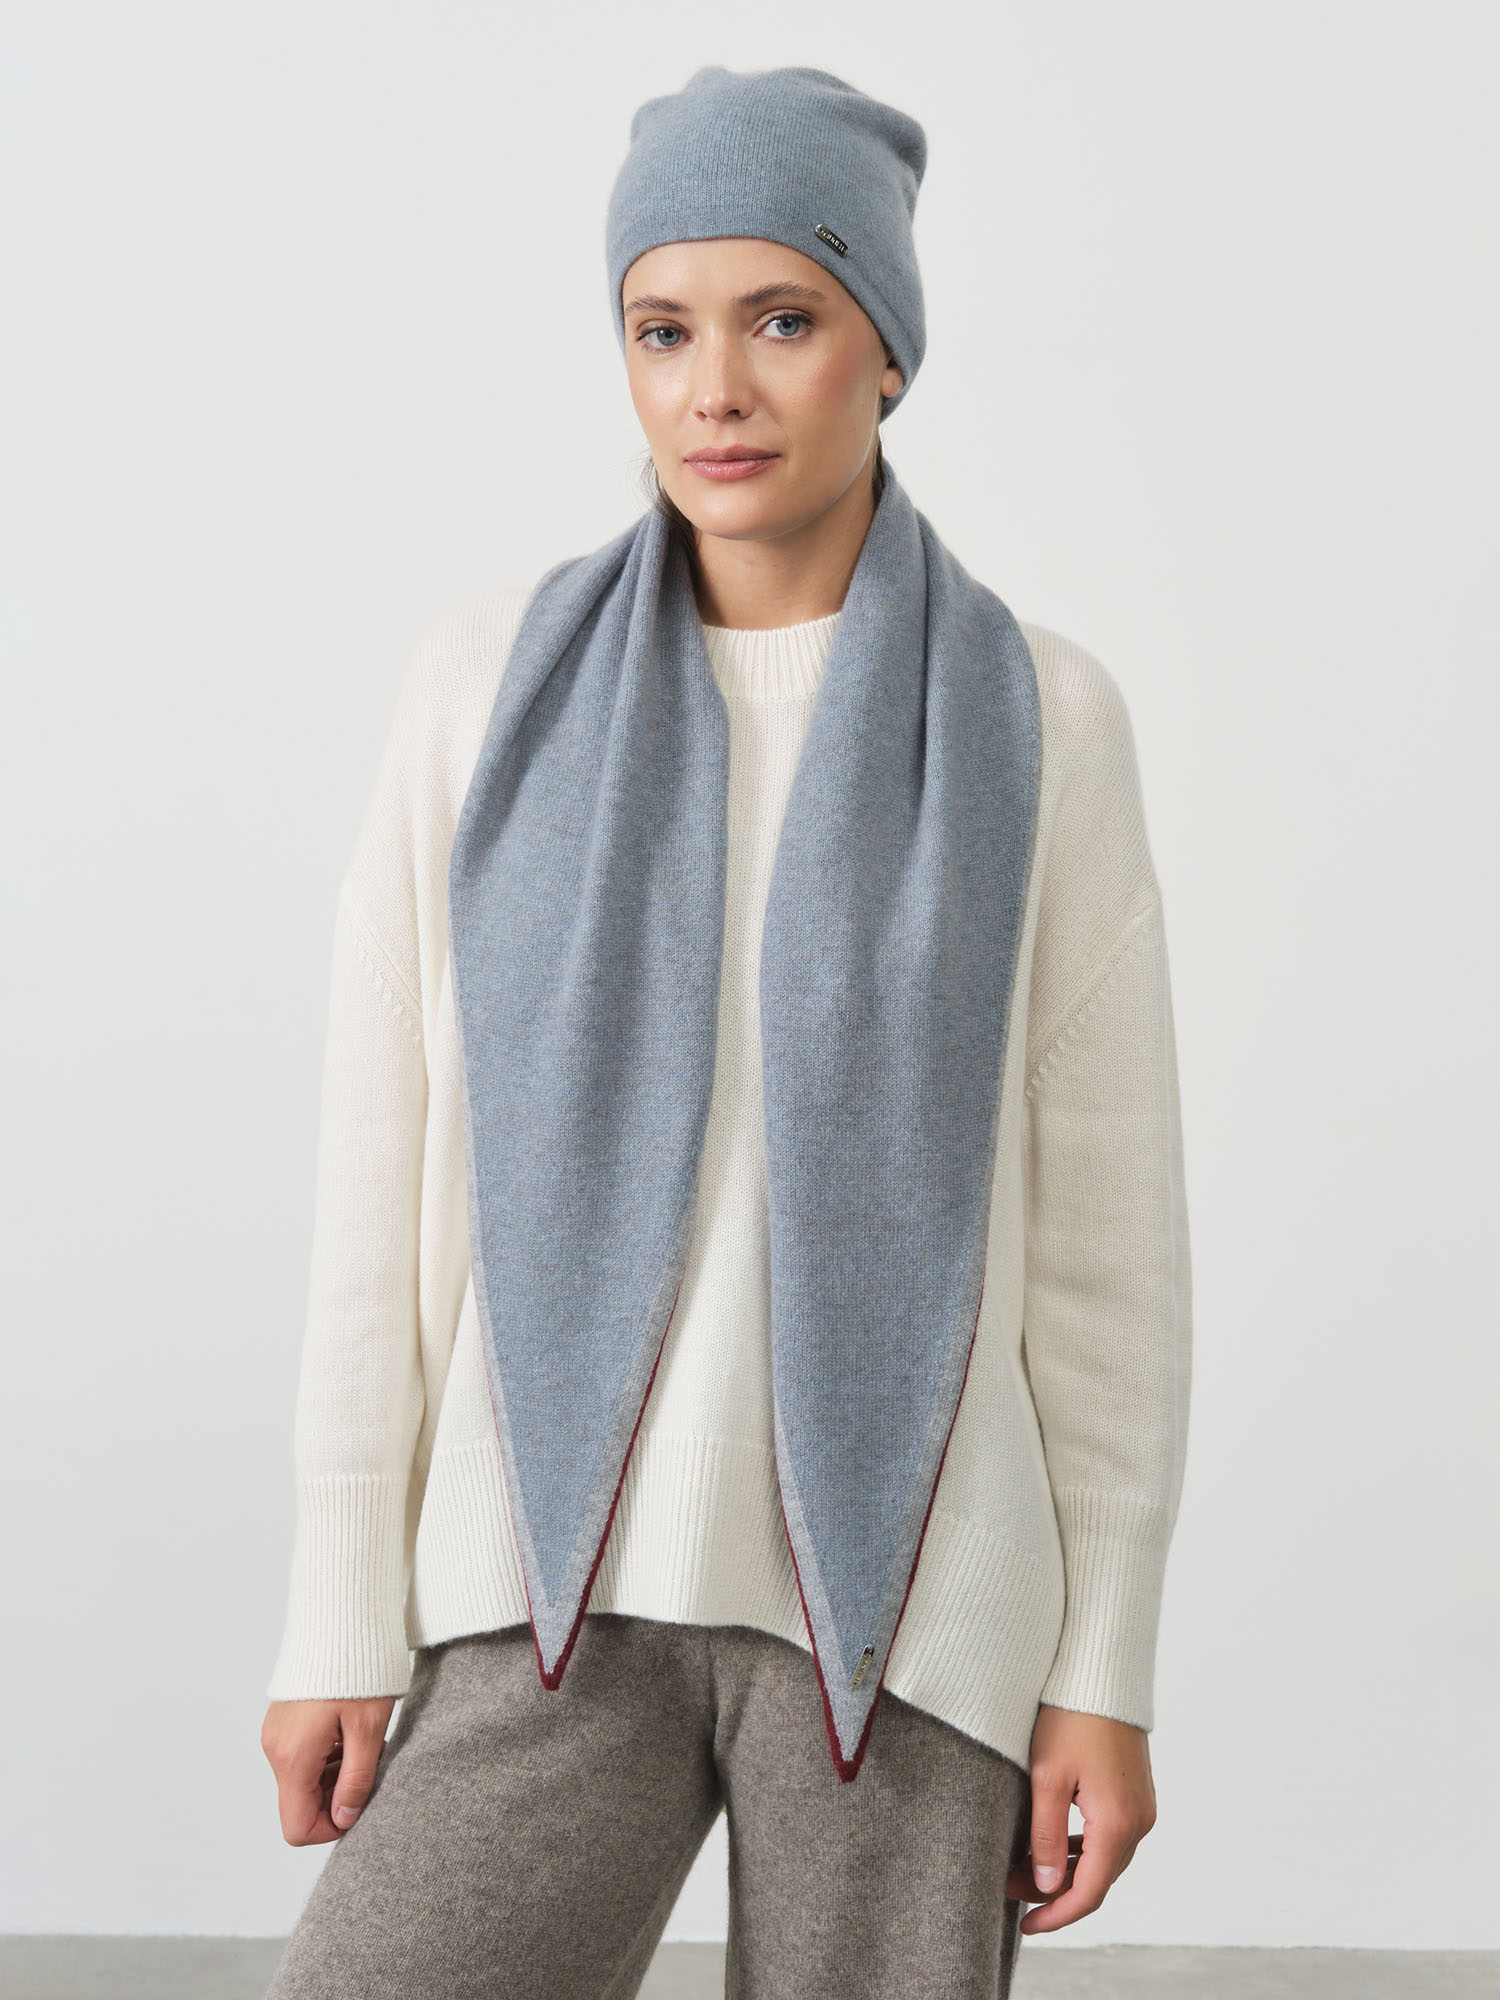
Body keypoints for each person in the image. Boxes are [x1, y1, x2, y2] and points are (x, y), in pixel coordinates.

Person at [259, 64, 1191, 2000]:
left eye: (783, 320)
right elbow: (379, 1173)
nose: (715, 391)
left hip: (916, 1616)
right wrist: (335, 1607)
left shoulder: (1040, 718)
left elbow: (1110, 1255)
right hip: (539, 1585)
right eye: (661, 329)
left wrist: (1102, 1670)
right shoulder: (482, 691)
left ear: (887, 351)